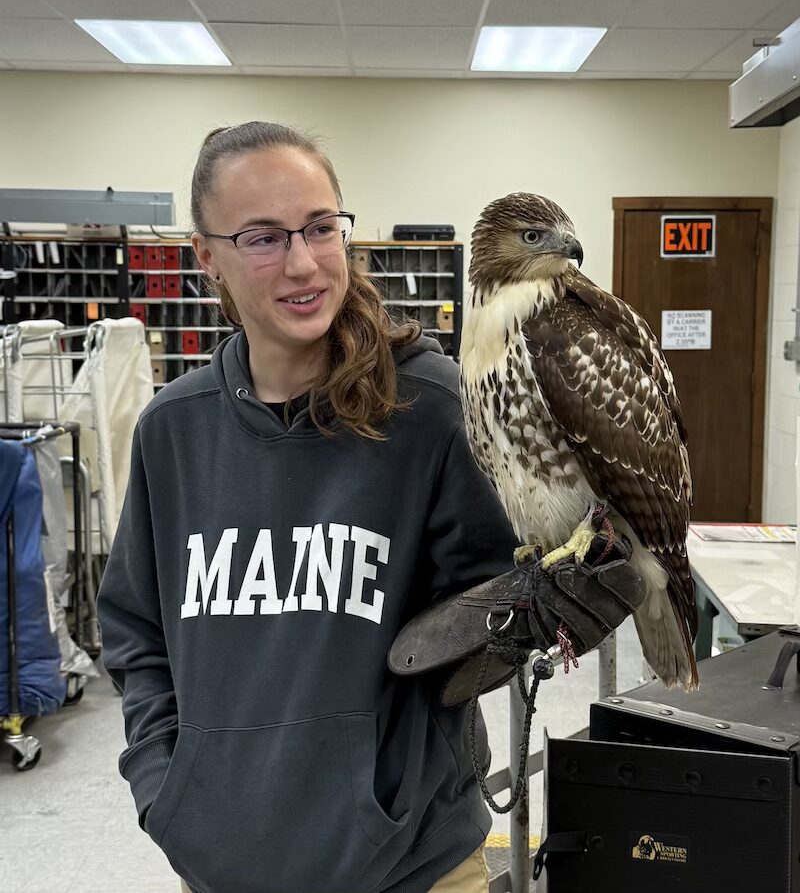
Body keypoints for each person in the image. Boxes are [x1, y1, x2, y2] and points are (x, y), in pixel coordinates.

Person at [97, 121, 642, 893]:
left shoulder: (433, 406)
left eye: (321, 228)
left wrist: (534, 606)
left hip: (413, 867)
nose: (303, 262)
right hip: (222, 865)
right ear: (206, 256)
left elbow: (483, 621)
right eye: (262, 237)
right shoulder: (172, 431)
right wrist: (169, 795)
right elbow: (135, 633)